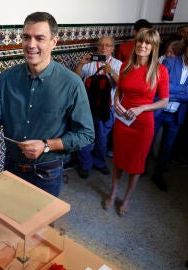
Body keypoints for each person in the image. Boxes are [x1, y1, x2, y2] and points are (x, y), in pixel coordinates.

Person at [0, 11, 94, 197]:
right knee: (8, 222)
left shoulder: (72, 84)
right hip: (11, 166)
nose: (31, 44)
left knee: (41, 226)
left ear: (54, 41)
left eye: (39, 38)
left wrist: (46, 145)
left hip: (46, 173)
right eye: (26, 37)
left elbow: (86, 134)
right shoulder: (7, 78)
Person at [105, 29, 169, 216]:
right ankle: (113, 192)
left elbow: (164, 100)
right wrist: (117, 100)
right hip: (123, 120)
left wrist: (142, 108)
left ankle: (126, 199)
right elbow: (120, 89)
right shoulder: (126, 65)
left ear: (154, 47)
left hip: (142, 124)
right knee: (118, 160)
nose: (142, 46)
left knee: (136, 164)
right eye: (140, 42)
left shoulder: (160, 71)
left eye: (147, 43)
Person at [74, 36, 122, 179]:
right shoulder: (89, 62)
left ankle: (100, 163)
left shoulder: (119, 64)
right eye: (101, 45)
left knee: (102, 137)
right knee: (85, 135)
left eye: (108, 45)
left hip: (107, 108)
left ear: (113, 48)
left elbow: (123, 85)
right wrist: (81, 64)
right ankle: (85, 164)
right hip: (88, 106)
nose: (104, 48)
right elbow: (75, 80)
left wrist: (111, 72)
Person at [152, 40, 188, 191]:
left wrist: (172, 91)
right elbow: (161, 88)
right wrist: (183, 91)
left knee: (167, 146)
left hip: (176, 115)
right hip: (159, 111)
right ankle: (139, 170)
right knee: (149, 140)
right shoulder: (169, 62)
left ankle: (158, 174)